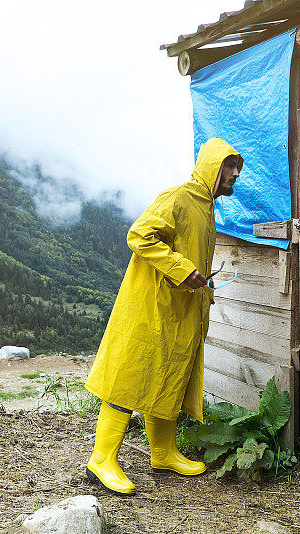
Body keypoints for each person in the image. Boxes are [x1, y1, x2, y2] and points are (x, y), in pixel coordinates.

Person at [83, 138, 243, 495]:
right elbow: (139, 235)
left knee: (172, 374)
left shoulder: (206, 205)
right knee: (132, 374)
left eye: (237, 167)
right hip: (151, 307)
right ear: (211, 166)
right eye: (229, 165)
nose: (235, 173)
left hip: (181, 309)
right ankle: (102, 458)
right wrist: (182, 269)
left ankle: (163, 452)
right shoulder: (180, 197)